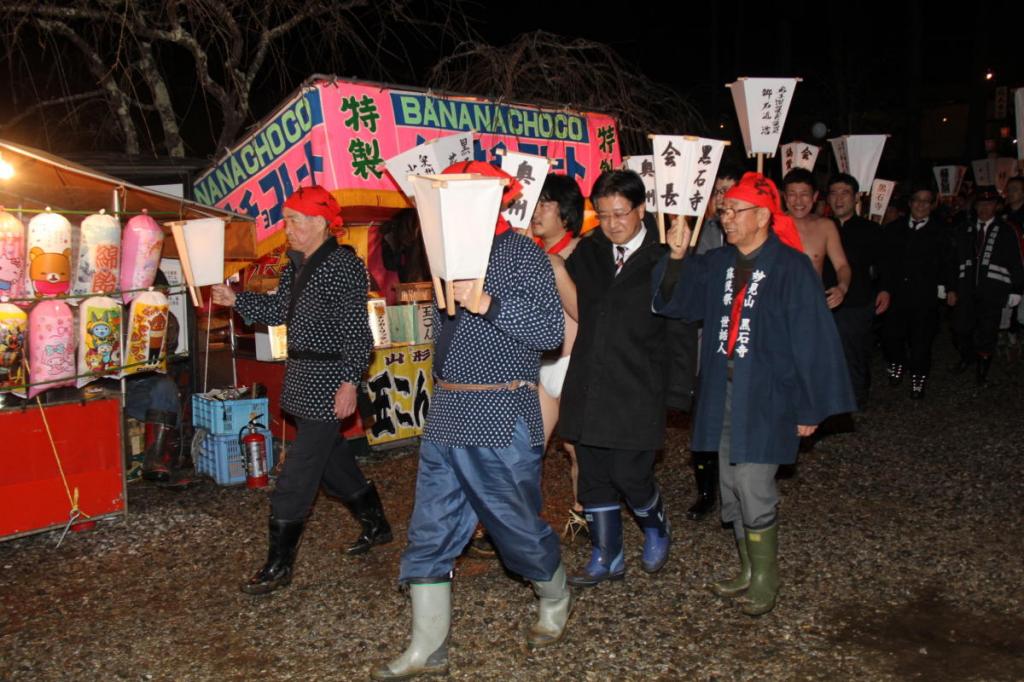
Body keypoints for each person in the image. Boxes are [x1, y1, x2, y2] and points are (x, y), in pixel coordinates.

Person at [373, 162, 569, 680]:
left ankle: (555, 596)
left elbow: (552, 331)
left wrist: (487, 302)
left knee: (514, 525)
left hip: (501, 412)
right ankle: (427, 647)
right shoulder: (444, 257)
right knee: (430, 527)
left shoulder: (522, 253)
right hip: (448, 414)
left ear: (492, 201)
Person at [653, 172, 854, 616]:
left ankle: (766, 576)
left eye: (733, 210)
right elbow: (674, 302)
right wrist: (678, 255)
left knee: (752, 481)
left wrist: (809, 407)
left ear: (763, 215)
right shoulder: (718, 262)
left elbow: (812, 340)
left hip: (770, 394)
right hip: (722, 391)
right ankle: (746, 567)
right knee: (729, 483)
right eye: (723, 210)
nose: (724, 217)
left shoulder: (792, 266)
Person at [211, 185, 390, 595]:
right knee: (334, 467)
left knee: (296, 476)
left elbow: (356, 332)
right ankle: (377, 525)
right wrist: (235, 299)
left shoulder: (343, 266)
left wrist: (349, 382)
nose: (285, 227)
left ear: (319, 222)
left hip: (330, 382)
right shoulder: (294, 265)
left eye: (293, 219)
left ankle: (279, 566)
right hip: (303, 376)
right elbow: (277, 312)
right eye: (287, 218)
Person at [558, 169, 677, 585]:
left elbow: (680, 326)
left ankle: (656, 526)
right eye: (603, 215)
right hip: (591, 379)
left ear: (641, 210)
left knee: (630, 472)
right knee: (592, 473)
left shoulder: (663, 258)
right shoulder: (589, 252)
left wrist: (679, 390)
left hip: (637, 383)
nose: (612, 224)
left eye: (620, 214)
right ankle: (607, 553)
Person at [686, 163, 742, 523]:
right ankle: (706, 490)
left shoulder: (755, 238)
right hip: (704, 335)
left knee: (734, 415)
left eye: (729, 190)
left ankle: (736, 495)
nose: (723, 199)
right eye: (717, 191)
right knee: (703, 413)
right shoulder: (699, 232)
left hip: (740, 337)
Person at [529, 174, 585, 524]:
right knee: (528, 446)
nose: (536, 210)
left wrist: (558, 271)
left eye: (545, 203)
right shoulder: (530, 253)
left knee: (576, 447)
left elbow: (584, 312)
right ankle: (521, 520)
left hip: (572, 361)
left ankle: (587, 515)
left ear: (565, 213)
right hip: (538, 363)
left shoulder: (582, 252)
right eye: (535, 202)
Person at [880, 183, 953, 398]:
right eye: (917, 200)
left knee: (922, 341)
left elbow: (948, 262)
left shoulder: (941, 232)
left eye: (926, 201)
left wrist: (950, 288)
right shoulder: (894, 229)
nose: (921, 205)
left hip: (925, 296)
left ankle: (918, 379)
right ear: (910, 203)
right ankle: (896, 364)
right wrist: (884, 288)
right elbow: (885, 262)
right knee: (891, 337)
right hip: (896, 295)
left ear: (932, 205)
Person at [826, 173, 891, 410]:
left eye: (844, 193)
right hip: (825, 300)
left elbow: (885, 263)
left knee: (855, 352)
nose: (838, 198)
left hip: (858, 301)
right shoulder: (822, 226)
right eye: (833, 193)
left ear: (855, 198)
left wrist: (884, 289)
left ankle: (855, 399)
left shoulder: (871, 230)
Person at [948, 185, 1024, 384]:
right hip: (965, 289)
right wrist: (950, 287)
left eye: (989, 204)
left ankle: (982, 371)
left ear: (996, 206)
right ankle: (967, 356)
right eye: (981, 204)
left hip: (993, 290)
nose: (984, 208)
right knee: (960, 329)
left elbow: (1016, 260)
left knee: (987, 331)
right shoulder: (964, 229)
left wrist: (1017, 288)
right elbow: (952, 260)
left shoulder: (1007, 230)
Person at [782, 168, 852, 309]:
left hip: (813, 304)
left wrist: (842, 288)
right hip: (778, 305)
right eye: (792, 194)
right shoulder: (770, 225)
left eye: (804, 194)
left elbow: (842, 265)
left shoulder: (826, 227)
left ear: (814, 197)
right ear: (784, 197)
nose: (798, 201)